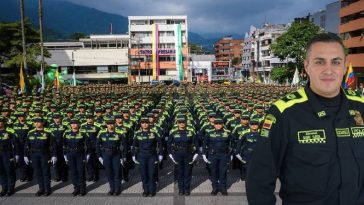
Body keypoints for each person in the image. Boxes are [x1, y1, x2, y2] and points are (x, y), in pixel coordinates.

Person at [247, 33, 364, 205]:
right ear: (307, 66)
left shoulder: (361, 106)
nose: (328, 70)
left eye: (336, 62)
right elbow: (259, 180)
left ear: (345, 66)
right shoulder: (284, 113)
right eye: (319, 61)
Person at [24, 117, 56, 196]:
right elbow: (27, 145)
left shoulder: (48, 132)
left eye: (38, 122)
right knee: (38, 172)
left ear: (42, 123)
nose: (36, 123)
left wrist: (54, 155)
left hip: (44, 154)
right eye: (35, 122)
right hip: (34, 154)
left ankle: (47, 189)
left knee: (45, 172)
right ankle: (41, 188)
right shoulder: (30, 132)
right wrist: (25, 155)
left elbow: (53, 145)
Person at [132, 117, 163, 197]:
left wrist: (160, 154)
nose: (145, 124)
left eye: (146, 123)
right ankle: (145, 190)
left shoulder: (154, 132)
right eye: (143, 123)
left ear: (149, 124)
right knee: (143, 173)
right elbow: (134, 145)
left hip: (152, 156)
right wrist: (133, 155)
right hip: (141, 156)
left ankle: (152, 190)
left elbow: (160, 144)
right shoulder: (138, 133)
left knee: (152, 173)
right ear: (141, 124)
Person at [167, 116, 198, 196]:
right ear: (177, 123)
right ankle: (181, 189)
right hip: (177, 154)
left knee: (188, 172)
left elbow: (196, 143)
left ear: (186, 123)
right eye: (180, 122)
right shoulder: (173, 132)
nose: (181, 124)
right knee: (180, 172)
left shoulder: (191, 132)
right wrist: (170, 153)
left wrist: (196, 153)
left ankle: (187, 189)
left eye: (183, 122)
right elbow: (169, 143)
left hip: (188, 153)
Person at [202, 118, 233, 196]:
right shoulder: (209, 133)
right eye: (216, 124)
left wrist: (231, 154)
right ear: (214, 125)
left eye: (220, 124)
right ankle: (215, 188)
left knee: (223, 172)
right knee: (213, 171)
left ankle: (223, 188)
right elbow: (205, 144)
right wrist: (203, 154)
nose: (218, 125)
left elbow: (232, 144)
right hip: (213, 155)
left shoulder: (228, 133)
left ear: (222, 124)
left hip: (224, 155)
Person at [96, 118, 126, 196]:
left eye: (112, 124)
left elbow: (125, 145)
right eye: (109, 124)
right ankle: (112, 188)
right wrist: (99, 156)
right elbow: (97, 145)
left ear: (115, 124)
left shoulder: (120, 132)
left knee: (117, 172)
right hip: (106, 155)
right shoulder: (101, 132)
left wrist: (124, 157)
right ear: (106, 125)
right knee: (109, 173)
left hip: (116, 155)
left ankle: (117, 189)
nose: (110, 125)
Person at [63, 119, 91, 196]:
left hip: (80, 154)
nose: (74, 125)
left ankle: (82, 189)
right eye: (72, 124)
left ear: (78, 125)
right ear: (70, 125)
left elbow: (88, 144)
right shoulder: (67, 133)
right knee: (73, 172)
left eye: (76, 123)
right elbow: (64, 144)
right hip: (70, 154)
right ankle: (76, 188)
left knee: (81, 171)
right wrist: (65, 155)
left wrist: (88, 154)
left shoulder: (83, 133)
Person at [0, 116, 19, 196]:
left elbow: (16, 143)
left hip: (7, 153)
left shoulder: (10, 131)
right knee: (1, 171)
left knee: (9, 171)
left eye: (1, 121)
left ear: (4, 122)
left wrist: (17, 154)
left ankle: (11, 188)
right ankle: (4, 188)